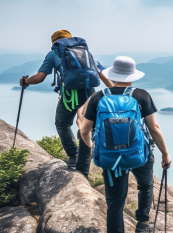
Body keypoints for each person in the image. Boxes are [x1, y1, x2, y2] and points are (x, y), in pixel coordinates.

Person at [78, 56, 172, 233]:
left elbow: (83, 130)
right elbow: (154, 129)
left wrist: (95, 149)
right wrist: (166, 154)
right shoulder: (141, 95)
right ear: (132, 76)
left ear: (113, 74)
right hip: (138, 155)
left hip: (112, 160)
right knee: (146, 185)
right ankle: (142, 224)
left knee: (115, 205)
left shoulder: (98, 97)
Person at [19, 30, 112, 176]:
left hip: (69, 95)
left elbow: (39, 77)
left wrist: (25, 81)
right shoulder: (84, 51)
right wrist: (115, 91)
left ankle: (74, 156)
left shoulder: (54, 53)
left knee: (62, 124)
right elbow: (102, 73)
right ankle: (94, 154)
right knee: (88, 125)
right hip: (89, 93)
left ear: (54, 42)